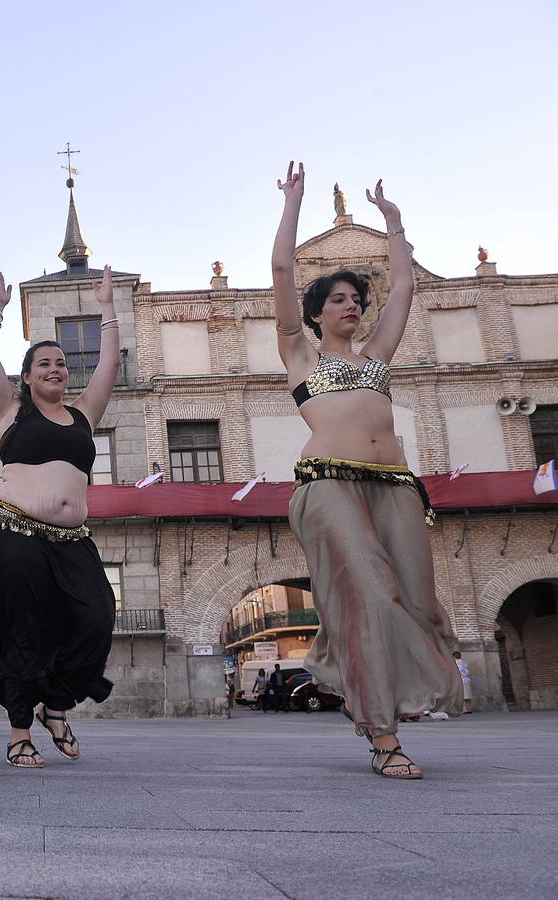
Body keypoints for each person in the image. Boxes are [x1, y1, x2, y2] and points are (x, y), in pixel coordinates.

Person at [272, 162, 462, 779]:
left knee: (415, 601)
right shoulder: (298, 352)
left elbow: (405, 289)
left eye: (357, 299)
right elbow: (279, 272)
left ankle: (396, 704)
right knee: (372, 594)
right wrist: (292, 206)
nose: (352, 306)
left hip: (396, 486)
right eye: (339, 300)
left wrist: (395, 224)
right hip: (328, 482)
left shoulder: (378, 353)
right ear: (316, 313)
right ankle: (383, 736)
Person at [0, 270, 119, 769]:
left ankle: (56, 705)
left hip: (73, 542)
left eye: (62, 363)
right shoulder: (9, 410)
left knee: (97, 619)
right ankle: (19, 733)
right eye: (43, 363)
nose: (55, 369)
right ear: (26, 376)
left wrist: (108, 306)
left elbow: (110, 360)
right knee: (27, 632)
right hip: (15, 535)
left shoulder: (86, 413)